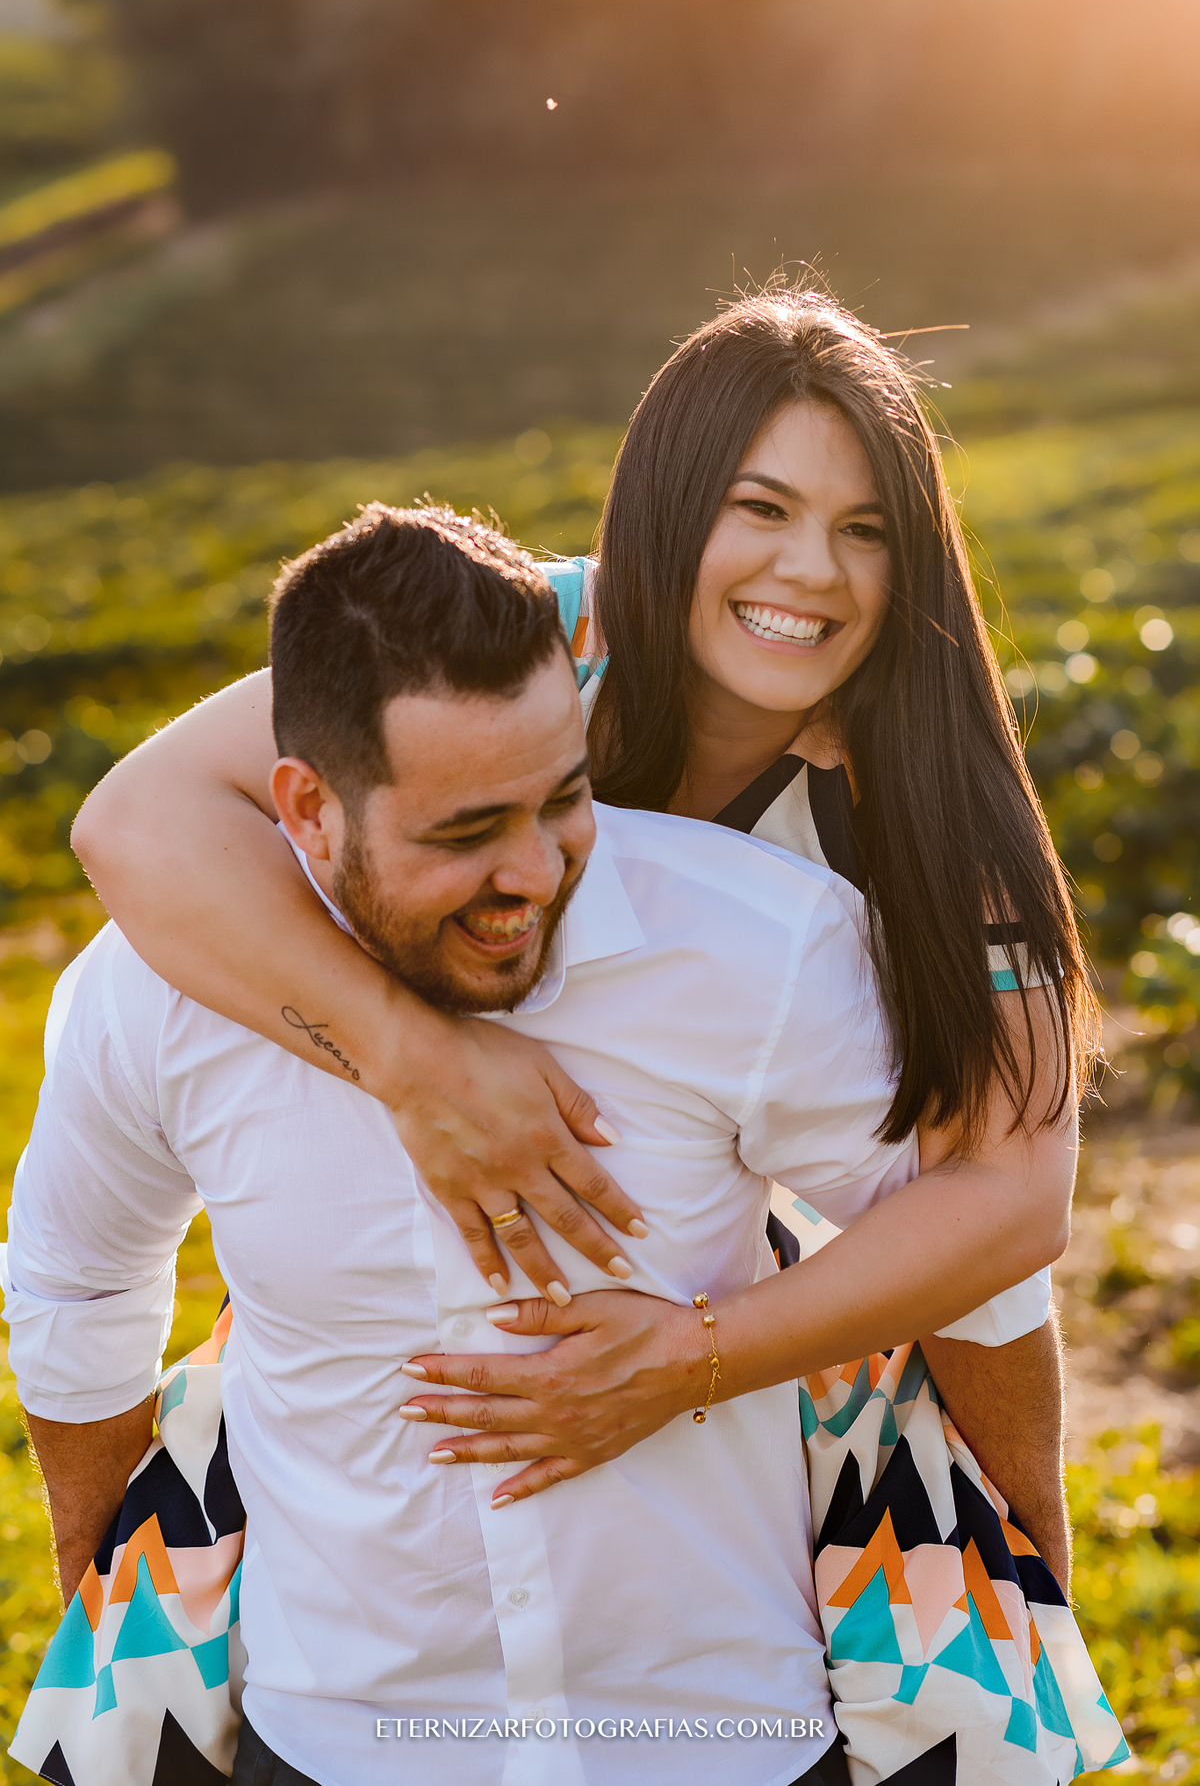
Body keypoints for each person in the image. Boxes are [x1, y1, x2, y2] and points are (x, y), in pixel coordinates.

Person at [6, 503, 1068, 1786]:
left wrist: (1028, 1546)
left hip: (729, 1737)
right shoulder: (153, 995)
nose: (535, 873)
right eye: (464, 833)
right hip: (332, 1737)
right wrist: (102, 1598)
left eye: (562, 801)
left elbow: (976, 1226)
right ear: (310, 808)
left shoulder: (764, 948)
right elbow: (77, 1277)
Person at [71, 287, 1093, 1579]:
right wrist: (416, 1061)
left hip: (730, 1244)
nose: (812, 573)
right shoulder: (542, 635)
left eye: (866, 531)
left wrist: (700, 1361)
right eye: (760, 509)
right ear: (668, 507)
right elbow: (135, 818)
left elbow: (1009, 1204)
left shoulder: (931, 794)